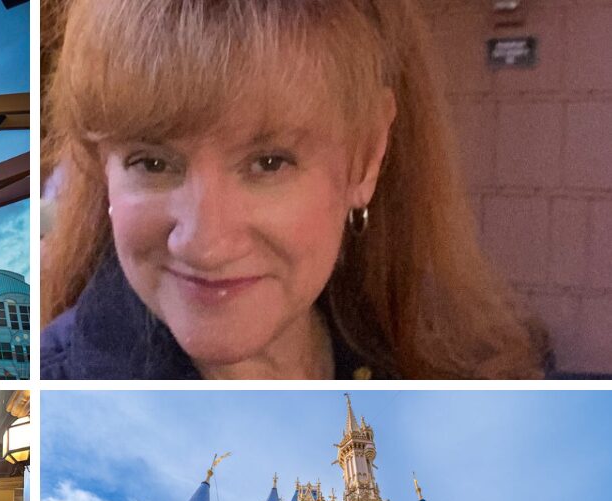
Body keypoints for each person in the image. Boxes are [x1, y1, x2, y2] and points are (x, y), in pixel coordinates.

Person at [40, 0, 548, 380]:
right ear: (100, 166)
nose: (203, 243)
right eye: (152, 162)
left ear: (366, 157)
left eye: (268, 162)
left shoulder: (472, 381)